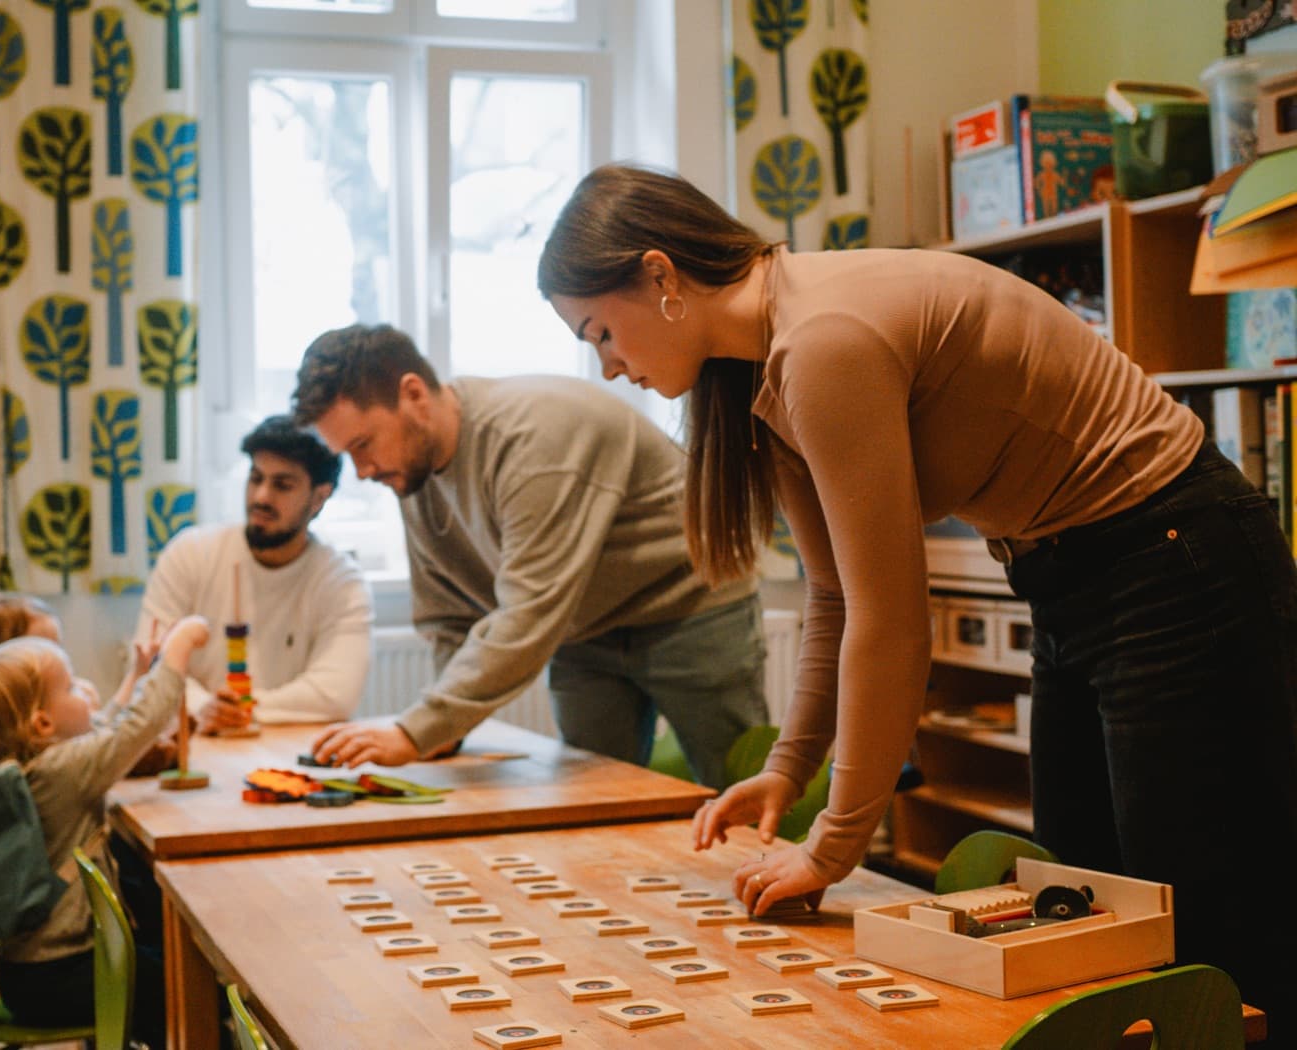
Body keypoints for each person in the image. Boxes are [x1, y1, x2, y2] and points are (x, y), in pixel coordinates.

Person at [537, 162, 1297, 1042]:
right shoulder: (765, 374)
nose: (607, 366)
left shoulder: (820, 341)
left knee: (1211, 921)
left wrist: (833, 844)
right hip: (1071, 577)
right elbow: (833, 595)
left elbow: (893, 622)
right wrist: (788, 770)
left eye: (599, 332)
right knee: (1086, 911)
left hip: (1177, 556)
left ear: (661, 277)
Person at [291, 324, 769, 788]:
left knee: (743, 791)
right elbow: (448, 614)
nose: (363, 470)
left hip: (693, 605)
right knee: (594, 801)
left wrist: (414, 730)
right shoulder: (410, 473)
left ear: (413, 394)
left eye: (362, 444)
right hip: (585, 628)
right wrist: (444, 730)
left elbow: (530, 609)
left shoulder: (534, 436)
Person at [0, 615, 211, 1047]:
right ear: (43, 724)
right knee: (184, 989)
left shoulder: (28, 771)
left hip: (27, 974)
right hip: (68, 975)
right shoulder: (61, 773)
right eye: (69, 687)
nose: (83, 688)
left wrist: (136, 675)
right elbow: (135, 729)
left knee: (161, 966)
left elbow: (104, 731)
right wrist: (179, 648)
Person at [136, 415, 374, 733]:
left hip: (288, 752)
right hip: (195, 743)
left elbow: (335, 693)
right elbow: (149, 665)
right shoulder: (190, 554)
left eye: (282, 485)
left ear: (319, 497)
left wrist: (242, 711)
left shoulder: (341, 583)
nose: (261, 497)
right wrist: (202, 708)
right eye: (256, 478)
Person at [0, 593, 172, 775]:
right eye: (44, 649)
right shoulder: (45, 766)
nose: (57, 657)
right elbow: (124, 737)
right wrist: (176, 656)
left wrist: (137, 673)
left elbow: (105, 732)